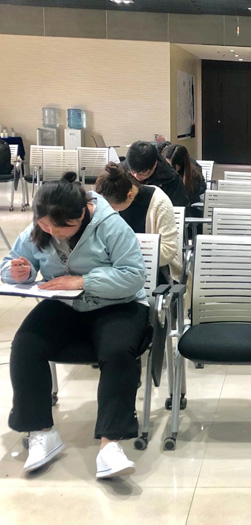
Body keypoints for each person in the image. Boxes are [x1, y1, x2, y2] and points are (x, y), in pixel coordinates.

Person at [0, 172, 149, 479]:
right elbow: (12, 261)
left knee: (117, 351)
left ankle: (110, 444)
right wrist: (17, 272)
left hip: (118, 304)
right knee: (26, 344)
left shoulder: (110, 226)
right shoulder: (39, 228)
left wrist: (82, 281)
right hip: (66, 304)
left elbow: (133, 276)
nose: (54, 232)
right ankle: (41, 432)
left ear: (81, 213)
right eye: (46, 226)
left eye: (62, 227)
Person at [95, 162, 181, 282]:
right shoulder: (106, 204)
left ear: (130, 195)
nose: (110, 211)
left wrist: (123, 251)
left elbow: (168, 251)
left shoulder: (159, 203)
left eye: (114, 207)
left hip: (155, 270)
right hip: (117, 269)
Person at [124, 141, 190, 208]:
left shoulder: (171, 179)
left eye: (142, 174)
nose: (136, 176)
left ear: (155, 164)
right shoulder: (122, 170)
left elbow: (180, 208)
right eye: (132, 172)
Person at [162, 144, 206, 212]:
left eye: (171, 166)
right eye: (166, 164)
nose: (168, 168)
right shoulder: (161, 173)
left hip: (186, 211)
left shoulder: (194, 177)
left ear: (180, 164)